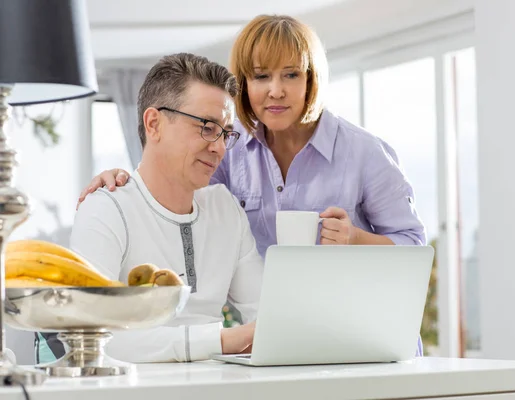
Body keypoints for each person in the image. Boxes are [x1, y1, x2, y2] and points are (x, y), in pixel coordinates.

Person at [77, 15, 427, 356]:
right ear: (246, 84)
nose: (276, 90)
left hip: (365, 331)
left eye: (291, 74)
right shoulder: (232, 147)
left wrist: (355, 239)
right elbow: (171, 180)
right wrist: (122, 184)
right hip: (284, 340)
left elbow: (414, 251)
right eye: (261, 76)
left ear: (311, 80)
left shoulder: (363, 152)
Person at [38, 53, 263, 364]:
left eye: (225, 132)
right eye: (207, 127)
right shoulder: (107, 208)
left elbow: (267, 314)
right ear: (154, 123)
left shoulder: (225, 209)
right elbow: (89, 335)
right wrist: (220, 340)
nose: (219, 146)